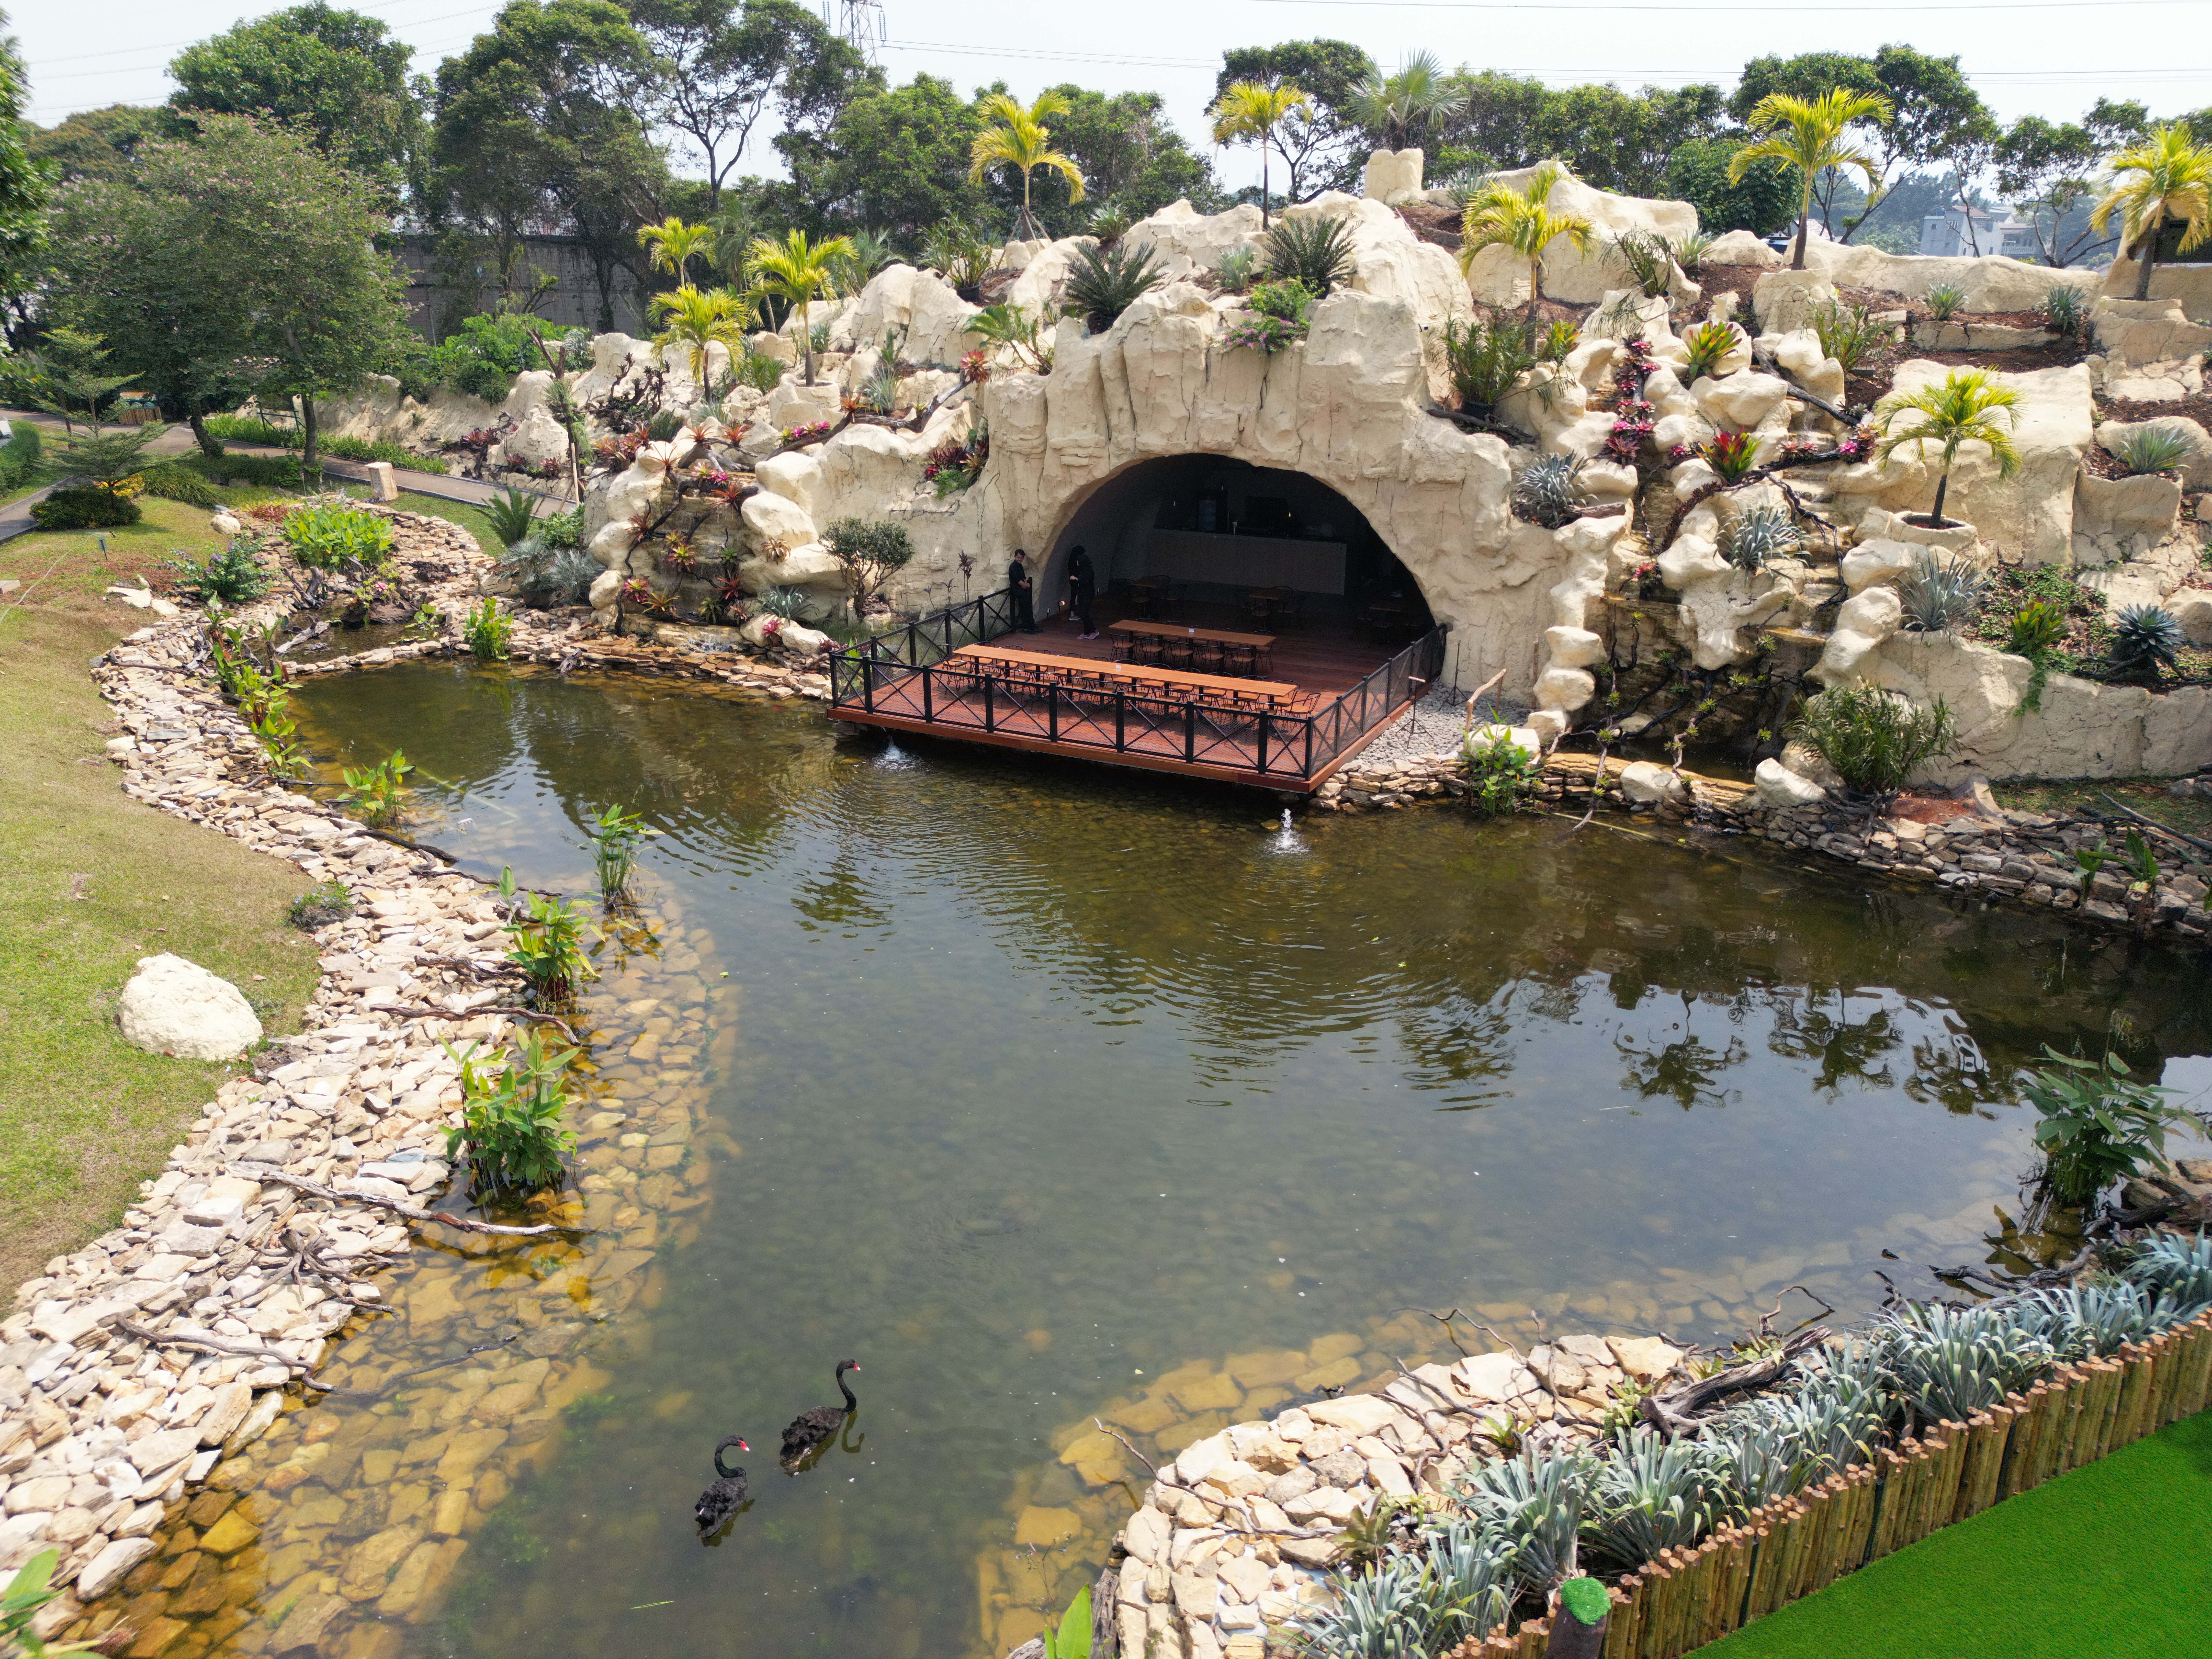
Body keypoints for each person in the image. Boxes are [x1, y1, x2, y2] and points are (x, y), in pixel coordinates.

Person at [1066, 544, 1098, 640]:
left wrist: (1075, 579)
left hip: (1088, 595)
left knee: (1083, 614)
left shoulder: (1089, 570)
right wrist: (1077, 596)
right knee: (1084, 614)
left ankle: (1094, 631)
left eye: (1078, 561)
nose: (1076, 562)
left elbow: (1085, 581)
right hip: (1082, 594)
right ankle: (1087, 632)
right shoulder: (1083, 570)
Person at [1009, 548, 1038, 633]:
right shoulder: (1014, 567)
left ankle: (1031, 627)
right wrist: (1027, 585)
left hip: (1022, 590)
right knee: (1026, 610)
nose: (1020, 559)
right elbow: (1017, 581)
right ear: (1015, 557)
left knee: (1027, 609)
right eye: (1019, 557)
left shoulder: (1019, 566)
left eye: (1021, 558)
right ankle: (1028, 628)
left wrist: (1026, 584)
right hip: (1019, 591)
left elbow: (1023, 577)